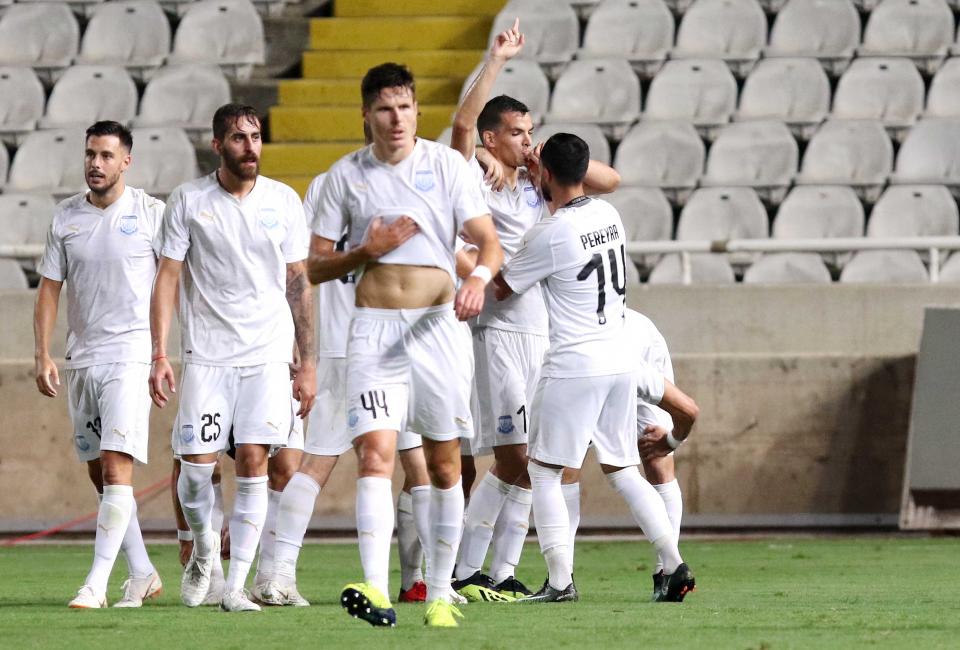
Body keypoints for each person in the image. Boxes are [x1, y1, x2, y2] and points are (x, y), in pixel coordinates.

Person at [309, 62, 502, 627]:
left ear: (417, 111)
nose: (396, 119)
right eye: (384, 109)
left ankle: (439, 592)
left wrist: (477, 280)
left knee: (444, 465)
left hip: (437, 329)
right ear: (366, 115)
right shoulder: (343, 177)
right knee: (375, 454)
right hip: (374, 331)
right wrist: (363, 252)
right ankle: (375, 588)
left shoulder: (445, 166)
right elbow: (312, 267)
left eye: (404, 107)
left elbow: (488, 242)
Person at [449, 17, 622, 600]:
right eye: (518, 133)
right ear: (491, 138)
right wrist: (497, 59)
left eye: (532, 132)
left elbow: (610, 180)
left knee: (537, 462)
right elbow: (462, 125)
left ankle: (499, 572)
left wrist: (543, 158)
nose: (528, 140)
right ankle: (463, 568)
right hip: (499, 331)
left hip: (543, 334)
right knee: (513, 458)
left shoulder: (536, 182)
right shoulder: (476, 177)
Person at [495, 133, 696, 603]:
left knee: (544, 472)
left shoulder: (549, 233)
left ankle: (559, 582)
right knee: (623, 470)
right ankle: (674, 563)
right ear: (583, 173)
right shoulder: (609, 215)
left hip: (574, 364)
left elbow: (502, 288)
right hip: (620, 358)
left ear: (545, 173)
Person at [149, 103, 316, 612]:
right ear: (218, 144)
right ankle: (204, 550)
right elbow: (168, 277)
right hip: (208, 355)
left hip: (267, 354)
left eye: (256, 136)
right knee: (196, 468)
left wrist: (308, 361)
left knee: (254, 460)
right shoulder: (188, 200)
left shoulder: (283, 200)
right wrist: (159, 352)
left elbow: (298, 282)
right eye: (239, 138)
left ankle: (238, 586)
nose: (250, 147)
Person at [262, 157, 445, 607]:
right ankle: (279, 573)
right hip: (369, 343)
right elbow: (302, 269)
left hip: (369, 345)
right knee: (338, 463)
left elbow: (302, 265)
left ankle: (418, 581)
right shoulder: (401, 184)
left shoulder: (326, 185)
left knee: (408, 465)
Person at [34, 121, 163, 609]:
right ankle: (143, 572)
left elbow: (176, 279)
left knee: (115, 466)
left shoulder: (151, 214)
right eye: (91, 154)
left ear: (126, 161)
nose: (96, 163)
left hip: (130, 357)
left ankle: (96, 584)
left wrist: (162, 352)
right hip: (82, 359)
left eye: (107, 155)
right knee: (100, 475)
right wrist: (43, 352)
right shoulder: (65, 216)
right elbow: (50, 289)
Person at [561, 308, 698, 599]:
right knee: (647, 462)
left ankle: (560, 577)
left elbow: (689, 411)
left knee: (563, 467)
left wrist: (671, 441)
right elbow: (689, 411)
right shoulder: (640, 336)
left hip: (586, 344)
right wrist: (672, 441)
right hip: (618, 335)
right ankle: (669, 569)